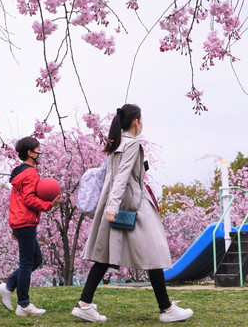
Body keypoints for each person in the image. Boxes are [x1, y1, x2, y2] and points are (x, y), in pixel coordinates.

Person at [72, 104, 193, 323]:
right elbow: (122, 177)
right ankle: (166, 309)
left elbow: (116, 176)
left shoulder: (115, 144)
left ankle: (84, 304)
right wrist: (113, 208)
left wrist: (110, 206)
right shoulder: (132, 144)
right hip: (132, 206)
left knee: (106, 255)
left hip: (117, 204)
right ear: (136, 121)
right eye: (141, 119)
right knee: (154, 250)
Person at [0, 135, 61, 317]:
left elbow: (17, 200)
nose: (41, 153)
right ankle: (23, 304)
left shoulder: (20, 172)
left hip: (20, 222)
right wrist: (50, 205)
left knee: (36, 260)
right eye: (38, 150)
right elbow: (29, 199)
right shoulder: (30, 173)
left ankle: (7, 286)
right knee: (26, 263)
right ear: (30, 153)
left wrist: (13, 226)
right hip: (25, 222)